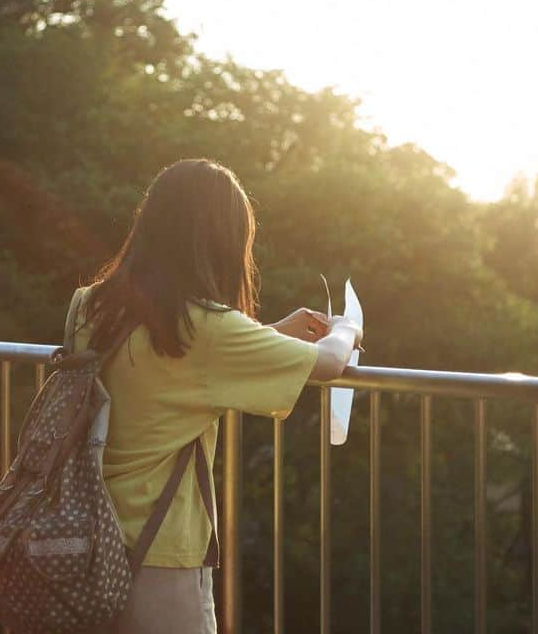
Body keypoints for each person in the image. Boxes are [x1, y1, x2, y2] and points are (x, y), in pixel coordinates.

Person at [68, 158, 363, 634]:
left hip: (77, 533)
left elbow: (171, 372)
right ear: (222, 242)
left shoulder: (92, 306)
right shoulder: (206, 327)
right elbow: (329, 363)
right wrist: (346, 329)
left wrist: (267, 335)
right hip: (157, 550)